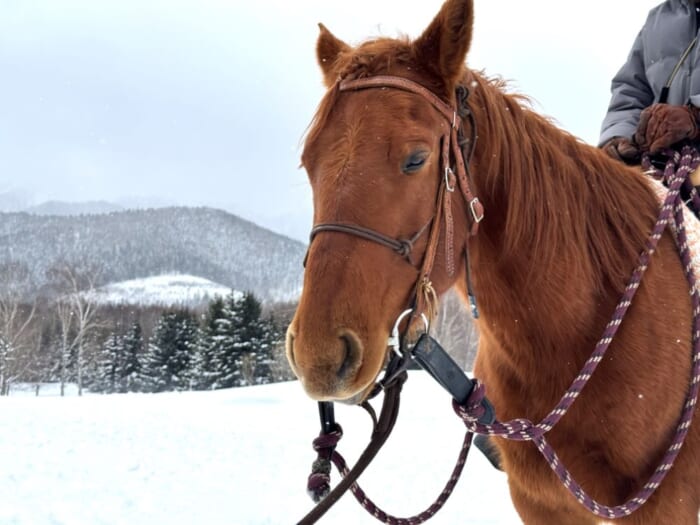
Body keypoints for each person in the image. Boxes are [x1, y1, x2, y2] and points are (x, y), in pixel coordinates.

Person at [600, 0, 700, 162]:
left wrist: (695, 116)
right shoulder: (657, 19)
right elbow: (631, 90)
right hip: (666, 164)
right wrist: (618, 135)